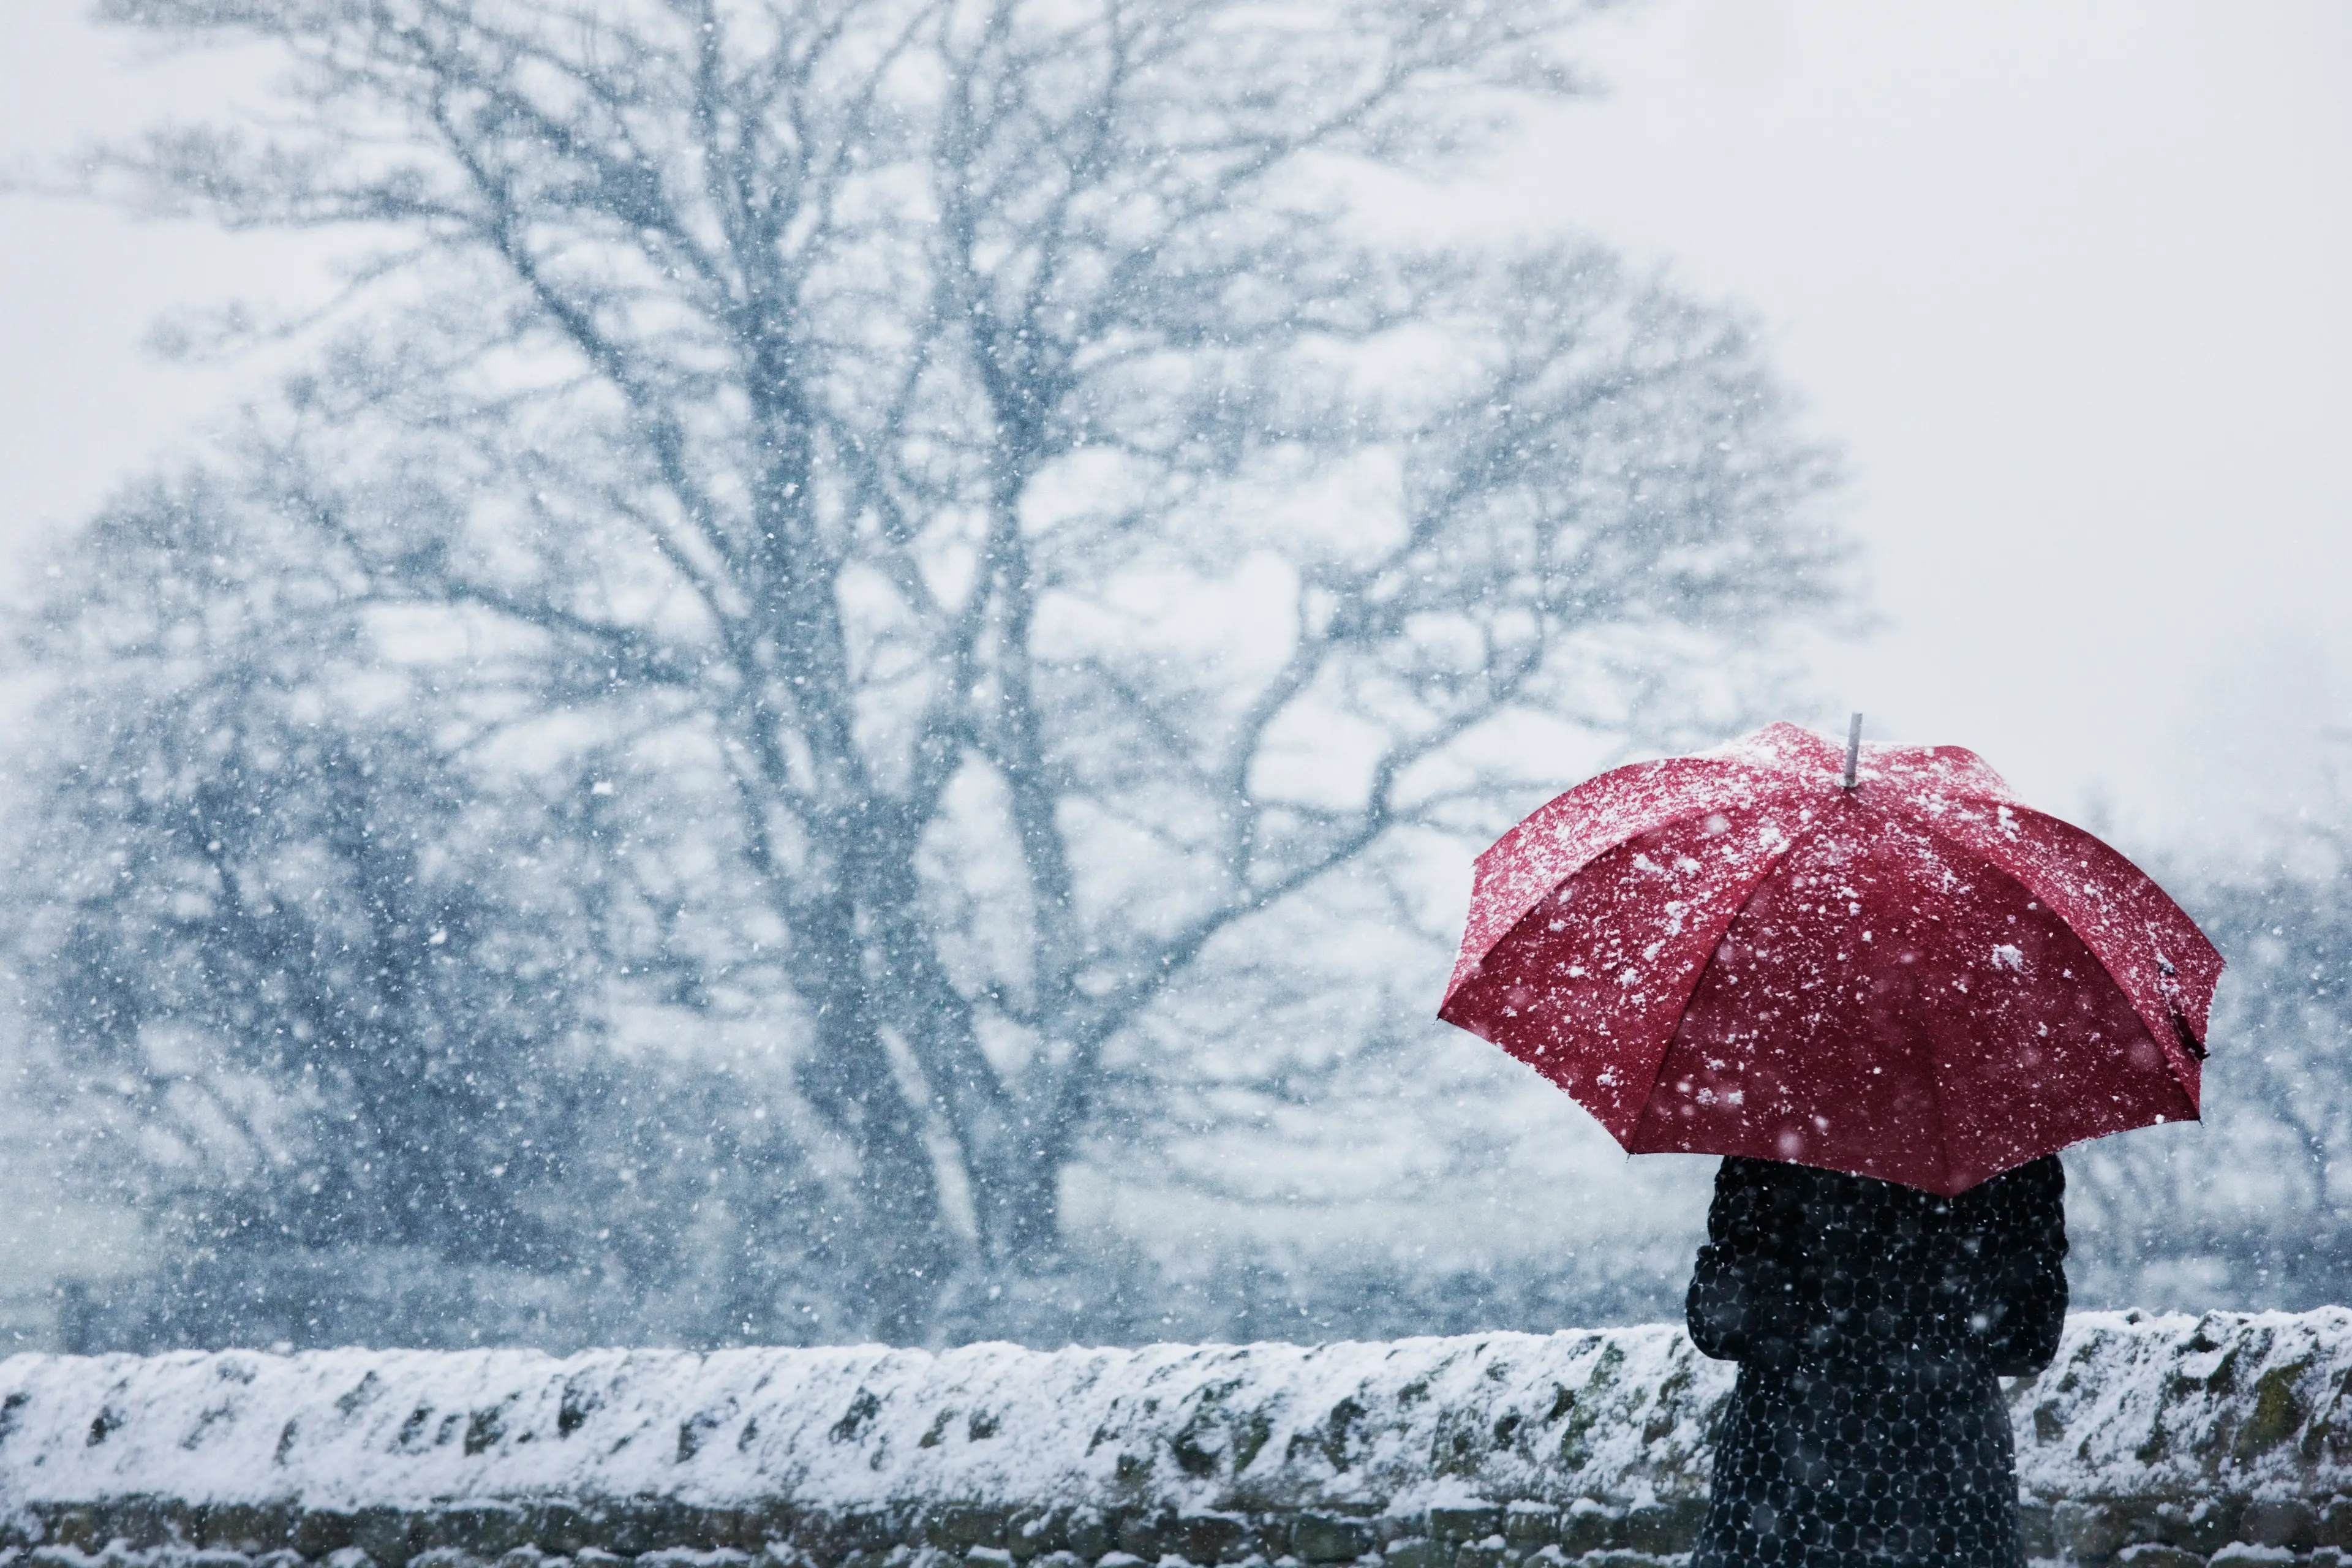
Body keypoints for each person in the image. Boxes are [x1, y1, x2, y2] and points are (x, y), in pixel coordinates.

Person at [1685, 1154, 2068, 1568]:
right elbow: (2030, 1343)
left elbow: (1720, 1328)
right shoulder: (2004, 1136)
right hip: (1953, 1481)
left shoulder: (1770, 1139)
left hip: (1786, 1481)